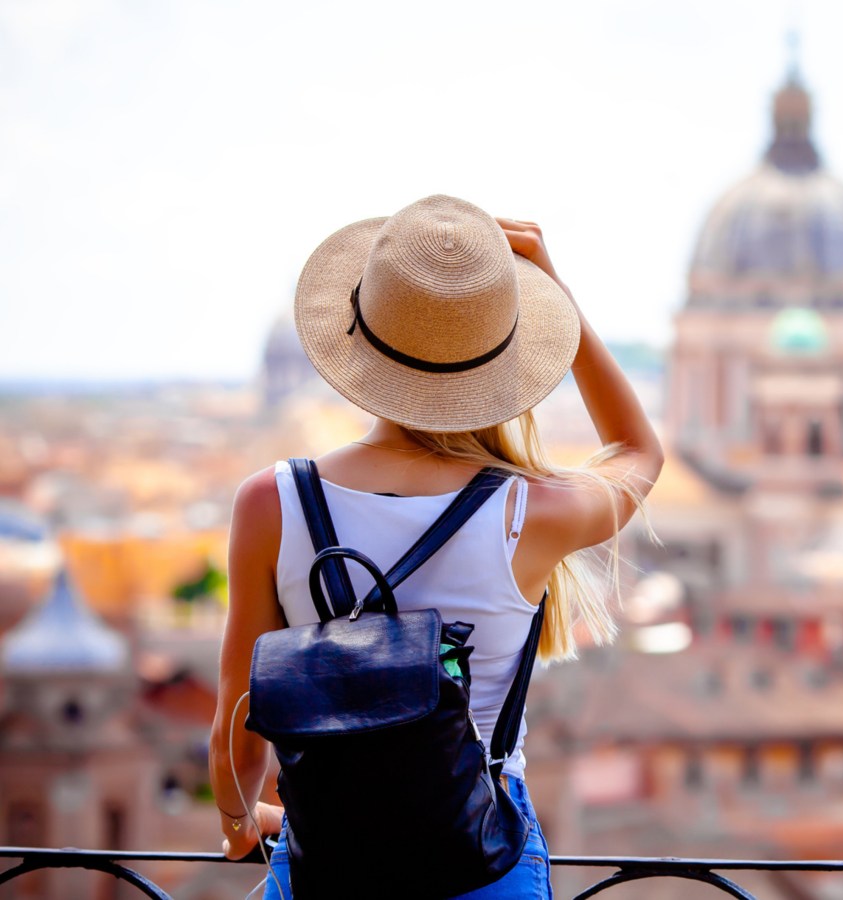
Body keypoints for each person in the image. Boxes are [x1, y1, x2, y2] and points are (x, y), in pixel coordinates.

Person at [208, 194, 663, 898]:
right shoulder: (530, 511)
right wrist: (561, 303)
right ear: (507, 354)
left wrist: (241, 825)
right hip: (481, 863)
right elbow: (637, 451)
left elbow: (237, 729)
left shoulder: (270, 502)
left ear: (358, 338)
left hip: (327, 864)